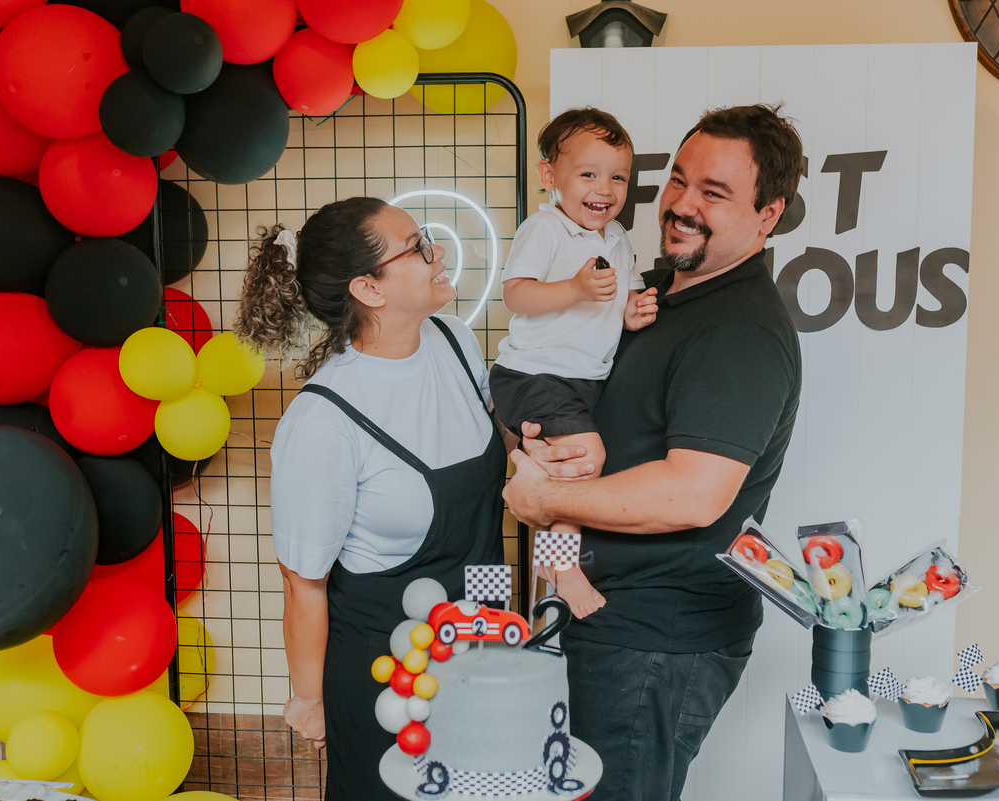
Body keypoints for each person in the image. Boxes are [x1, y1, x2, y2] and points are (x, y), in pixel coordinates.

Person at [503, 104, 805, 801]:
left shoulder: (741, 333)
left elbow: (692, 493)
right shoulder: (657, 291)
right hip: (605, 620)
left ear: (768, 214)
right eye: (678, 179)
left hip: (652, 640)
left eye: (715, 192)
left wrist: (543, 497)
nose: (682, 204)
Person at [233, 197, 507, 800]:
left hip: (482, 652)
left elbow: (499, 442)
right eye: (417, 247)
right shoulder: (324, 421)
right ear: (368, 289)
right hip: (389, 679)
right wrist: (310, 700)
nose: (438, 255)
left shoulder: (454, 343)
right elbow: (302, 582)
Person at [490, 107, 658, 618]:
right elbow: (516, 295)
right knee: (586, 458)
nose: (604, 188)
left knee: (577, 470)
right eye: (588, 174)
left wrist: (632, 312)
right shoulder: (546, 230)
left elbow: (619, 301)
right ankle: (560, 566)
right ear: (549, 176)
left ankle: (553, 557)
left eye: (618, 177)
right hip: (535, 373)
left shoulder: (618, 237)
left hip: (585, 379)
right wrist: (575, 288)